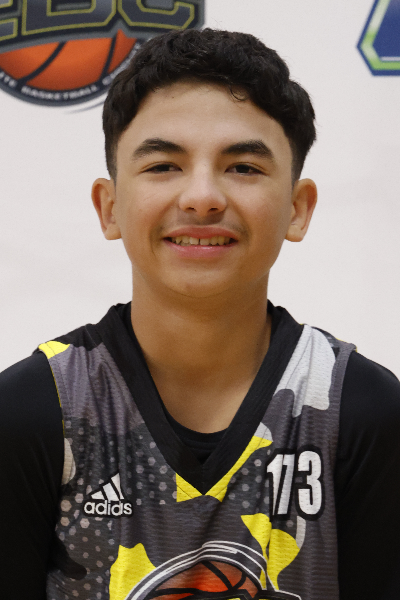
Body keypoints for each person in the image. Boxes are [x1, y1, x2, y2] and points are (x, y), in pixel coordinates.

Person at [0, 28, 399, 600]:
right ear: (109, 208)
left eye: (244, 167)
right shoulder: (33, 412)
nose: (202, 196)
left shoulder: (360, 411)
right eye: (164, 165)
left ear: (297, 208)